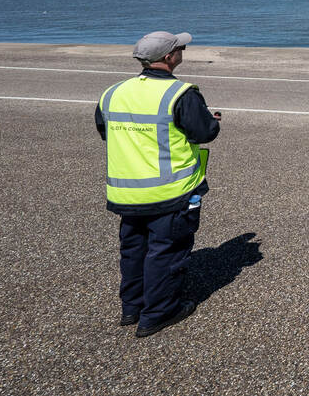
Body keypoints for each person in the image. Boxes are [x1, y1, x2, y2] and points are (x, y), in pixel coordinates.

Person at [95, 30, 221, 337]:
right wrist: (213, 120)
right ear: (169, 57)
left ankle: (132, 307)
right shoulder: (180, 94)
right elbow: (204, 132)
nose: (182, 51)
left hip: (127, 191)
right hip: (169, 191)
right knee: (166, 251)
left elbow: (104, 130)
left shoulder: (113, 92)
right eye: (180, 48)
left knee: (133, 250)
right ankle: (159, 312)